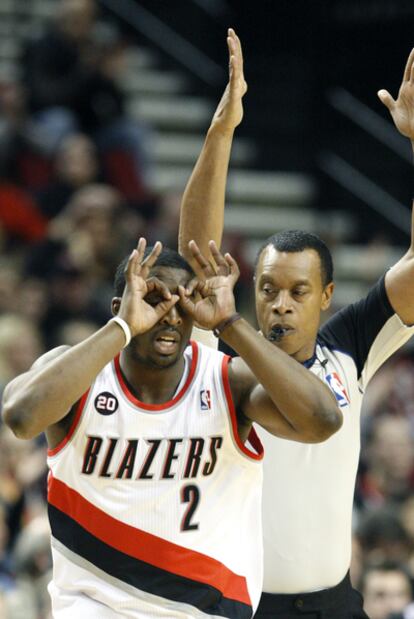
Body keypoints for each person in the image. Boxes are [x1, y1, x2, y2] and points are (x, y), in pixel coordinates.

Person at [178, 29, 414, 617]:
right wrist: (221, 131)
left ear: (326, 296)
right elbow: (196, 250)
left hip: (336, 602)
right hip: (242, 605)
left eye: (297, 291)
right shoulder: (226, 354)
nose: (280, 303)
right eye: (267, 289)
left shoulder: (351, 347)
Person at [2, 238, 341, 618]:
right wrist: (122, 328)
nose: (170, 315)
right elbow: (21, 417)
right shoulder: (77, 373)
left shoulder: (227, 380)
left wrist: (231, 325)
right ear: (120, 307)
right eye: (153, 299)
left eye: (181, 303)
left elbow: (323, 420)